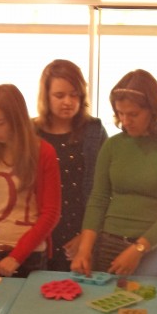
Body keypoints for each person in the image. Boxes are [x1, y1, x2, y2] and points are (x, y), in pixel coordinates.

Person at [71, 69, 157, 277]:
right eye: (120, 113)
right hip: (109, 245)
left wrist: (139, 248)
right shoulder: (113, 146)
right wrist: (84, 250)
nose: (125, 121)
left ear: (154, 111)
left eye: (133, 114)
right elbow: (98, 199)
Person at [0, 83, 61, 278]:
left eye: (0, 123)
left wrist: (17, 256)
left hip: (29, 256)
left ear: (17, 119)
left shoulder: (43, 152)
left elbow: (51, 213)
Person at [34, 59, 107, 271]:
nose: (68, 102)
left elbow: (104, 191)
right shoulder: (31, 131)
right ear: (46, 96)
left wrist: (86, 238)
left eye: (74, 95)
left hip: (83, 232)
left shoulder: (94, 131)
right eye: (59, 95)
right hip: (38, 234)